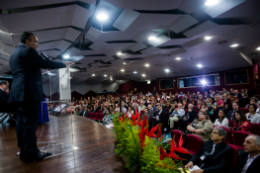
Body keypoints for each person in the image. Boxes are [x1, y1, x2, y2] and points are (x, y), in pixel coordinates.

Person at [9, 32, 71, 163]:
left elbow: (23, 70)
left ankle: (24, 151)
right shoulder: (29, 52)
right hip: (29, 93)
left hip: (18, 93)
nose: (37, 44)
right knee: (30, 125)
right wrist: (63, 64)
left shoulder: (14, 53)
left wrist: (37, 70)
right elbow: (45, 62)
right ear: (27, 41)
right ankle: (32, 153)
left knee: (21, 123)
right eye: (36, 41)